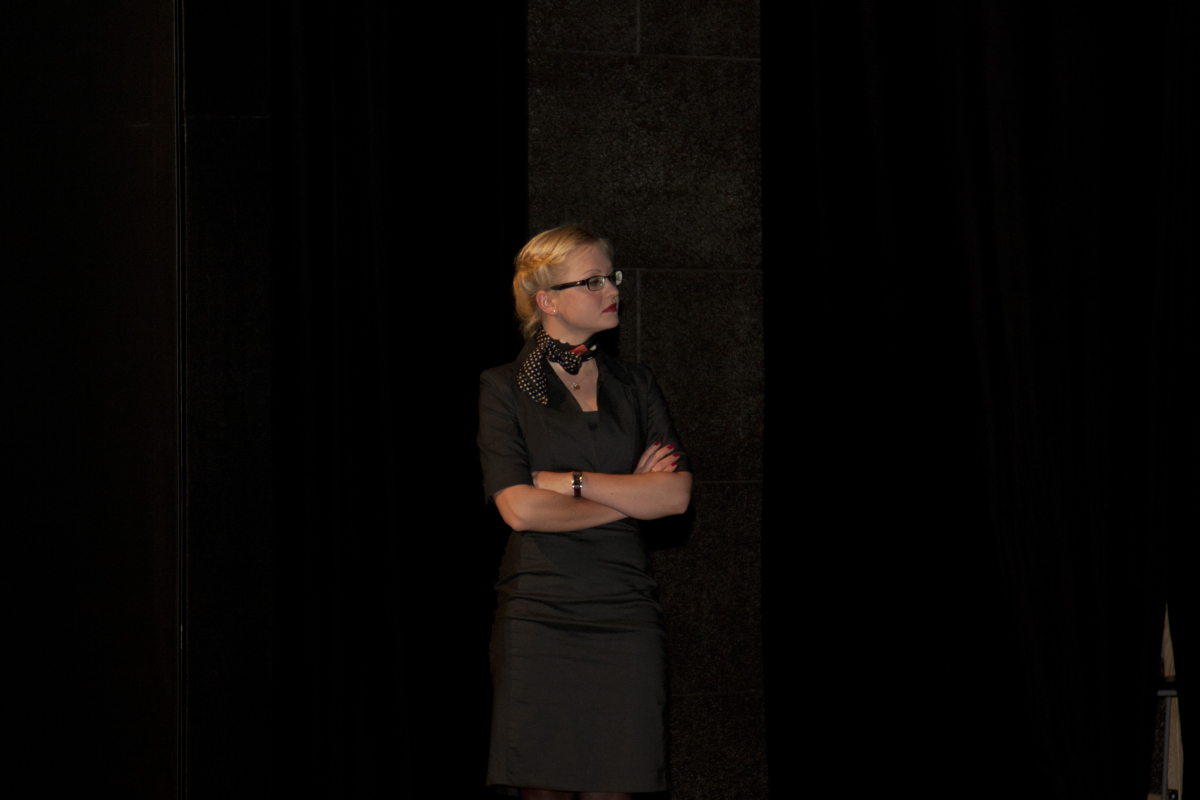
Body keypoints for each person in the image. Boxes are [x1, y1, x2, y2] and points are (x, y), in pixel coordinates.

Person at [477, 225, 693, 799]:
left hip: (626, 607)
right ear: (547, 300)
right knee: (542, 789)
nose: (612, 289)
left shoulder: (636, 383)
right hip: (540, 610)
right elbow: (520, 510)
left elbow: (675, 497)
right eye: (593, 281)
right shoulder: (504, 387)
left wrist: (573, 484)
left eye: (610, 277)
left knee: (617, 785)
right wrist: (632, 495)